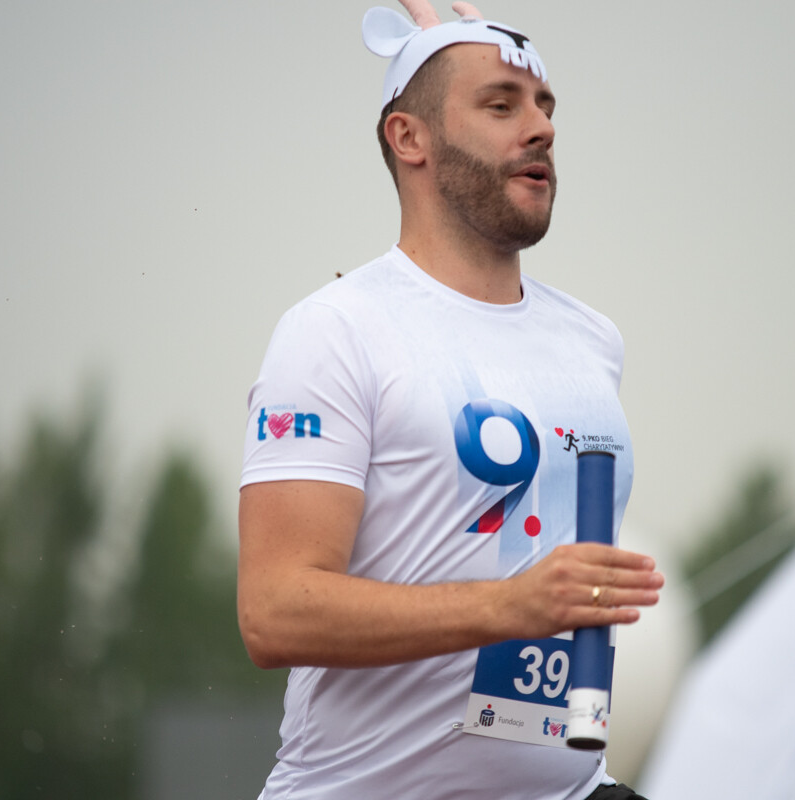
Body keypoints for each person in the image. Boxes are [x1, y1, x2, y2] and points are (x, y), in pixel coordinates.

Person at [237, 2, 664, 797]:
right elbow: (274, 612)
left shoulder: (593, 339)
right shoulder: (335, 331)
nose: (541, 128)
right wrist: (507, 607)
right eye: (501, 105)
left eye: (544, 106)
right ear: (410, 138)